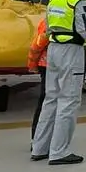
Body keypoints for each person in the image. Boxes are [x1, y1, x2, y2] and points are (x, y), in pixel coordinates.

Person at [32, 0, 86, 165]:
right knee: (69, 100)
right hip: (71, 51)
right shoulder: (78, 1)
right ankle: (59, 151)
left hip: (53, 49)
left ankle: (39, 147)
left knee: (50, 99)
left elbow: (48, 26)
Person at [27, 15, 49, 149]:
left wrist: (33, 63)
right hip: (59, 66)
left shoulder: (48, 20)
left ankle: (37, 138)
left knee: (45, 101)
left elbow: (38, 44)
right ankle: (41, 138)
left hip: (45, 65)